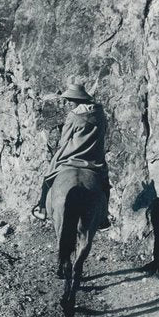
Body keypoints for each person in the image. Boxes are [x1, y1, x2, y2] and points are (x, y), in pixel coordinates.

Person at [32, 80, 111, 230]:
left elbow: (64, 140)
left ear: (76, 100)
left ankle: (42, 209)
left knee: (49, 175)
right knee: (104, 182)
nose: (69, 103)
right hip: (94, 157)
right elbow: (103, 133)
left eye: (70, 101)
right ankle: (103, 216)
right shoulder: (100, 112)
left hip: (73, 155)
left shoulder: (74, 115)